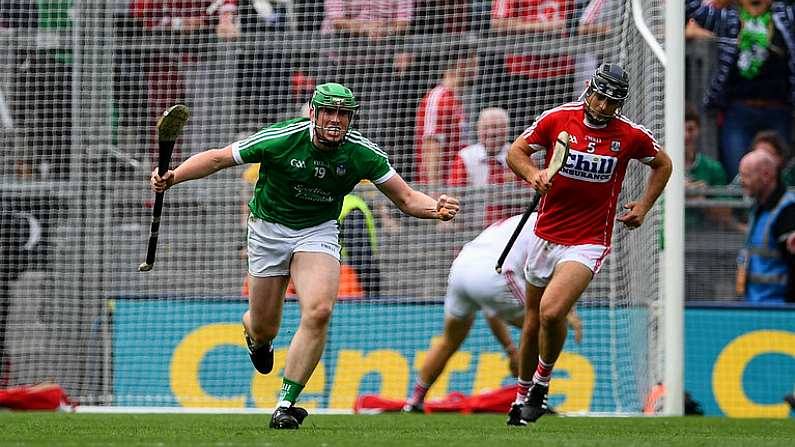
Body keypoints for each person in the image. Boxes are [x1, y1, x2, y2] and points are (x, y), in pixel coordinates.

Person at [149, 82, 460, 429]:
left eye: (344, 114)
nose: (336, 120)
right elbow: (220, 158)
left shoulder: (361, 153)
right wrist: (173, 177)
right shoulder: (282, 138)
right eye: (329, 111)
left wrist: (435, 208)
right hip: (268, 230)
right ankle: (254, 333)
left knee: (320, 310)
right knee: (266, 326)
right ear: (314, 113)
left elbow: (405, 197)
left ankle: (286, 402)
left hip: (318, 231)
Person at [504, 63, 672, 425]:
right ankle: (521, 399)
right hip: (545, 234)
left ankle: (541, 384)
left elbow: (663, 165)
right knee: (532, 320)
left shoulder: (630, 135)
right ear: (588, 89)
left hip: (589, 240)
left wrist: (643, 206)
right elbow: (516, 153)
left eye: (611, 102)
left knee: (551, 311)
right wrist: (533, 174)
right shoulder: (558, 118)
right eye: (598, 97)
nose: (602, 106)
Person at [402, 213, 583, 413]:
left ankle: (415, 401)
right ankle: (530, 399)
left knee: (448, 340)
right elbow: (552, 279)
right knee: (543, 326)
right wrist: (569, 312)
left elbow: (492, 309)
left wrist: (511, 350)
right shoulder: (550, 223)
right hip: (494, 271)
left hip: (462, 267)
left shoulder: (515, 222)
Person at [685, 0, 795, 180]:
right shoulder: (729, 20)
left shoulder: (785, 17)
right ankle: (741, 209)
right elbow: (693, 8)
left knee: (777, 176)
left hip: (778, 109)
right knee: (740, 176)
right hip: (739, 111)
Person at [736, 150, 795, 304]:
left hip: (778, 310)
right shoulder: (759, 207)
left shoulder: (787, 212)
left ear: (766, 175)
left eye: (747, 175)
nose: (741, 181)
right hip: (755, 305)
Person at [449, 107, 524, 226]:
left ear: (507, 130)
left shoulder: (520, 156)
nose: (491, 132)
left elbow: (528, 195)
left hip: (510, 226)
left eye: (496, 127)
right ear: (478, 130)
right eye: (486, 127)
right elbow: (454, 195)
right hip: (472, 226)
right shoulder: (465, 157)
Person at [414, 44, 477, 184]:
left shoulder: (455, 99)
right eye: (474, 64)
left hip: (454, 185)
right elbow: (431, 146)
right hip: (440, 189)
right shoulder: (438, 99)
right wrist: (434, 191)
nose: (477, 70)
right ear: (461, 64)